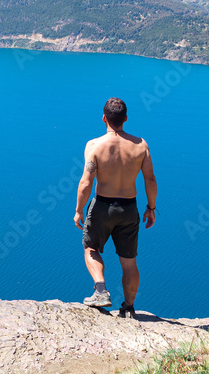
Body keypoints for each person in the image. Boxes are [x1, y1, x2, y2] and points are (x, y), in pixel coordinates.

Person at [74, 97, 157, 318]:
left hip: (102, 206)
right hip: (129, 209)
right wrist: (151, 207)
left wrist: (79, 209)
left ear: (104, 119)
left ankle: (100, 290)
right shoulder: (141, 145)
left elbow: (86, 182)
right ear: (125, 119)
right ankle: (129, 308)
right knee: (129, 263)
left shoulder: (94, 145)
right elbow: (150, 179)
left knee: (91, 248)